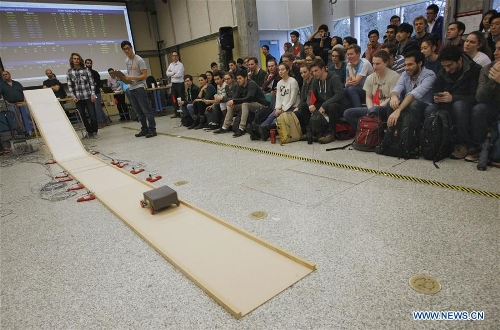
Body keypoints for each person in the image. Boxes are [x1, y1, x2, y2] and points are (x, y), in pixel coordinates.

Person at [425, 46, 482, 160]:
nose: (447, 69)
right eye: (444, 66)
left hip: (467, 104)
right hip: (446, 103)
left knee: (459, 106)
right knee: (430, 109)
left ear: (460, 60)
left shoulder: (474, 70)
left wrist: (453, 98)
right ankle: (432, 141)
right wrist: (437, 97)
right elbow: (435, 91)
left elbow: (476, 97)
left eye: (449, 65)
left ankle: (463, 144)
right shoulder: (443, 72)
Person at [344, 50, 400, 131]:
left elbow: (392, 97)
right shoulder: (370, 77)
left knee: (375, 109)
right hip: (372, 107)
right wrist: (371, 110)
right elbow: (368, 97)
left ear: (386, 63)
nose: (374, 66)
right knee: (348, 113)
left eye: (378, 64)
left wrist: (374, 109)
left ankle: (372, 132)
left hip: (385, 108)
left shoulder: (394, 76)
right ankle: (365, 132)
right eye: (373, 63)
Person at [387, 50, 436, 128]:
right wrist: (393, 97)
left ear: (419, 63)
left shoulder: (430, 75)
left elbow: (413, 94)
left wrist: (398, 110)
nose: (406, 68)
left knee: (414, 104)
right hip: (408, 104)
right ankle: (392, 135)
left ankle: (414, 134)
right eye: (405, 65)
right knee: (391, 103)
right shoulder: (405, 74)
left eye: (410, 65)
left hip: (424, 105)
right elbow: (397, 88)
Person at [469, 39, 500, 161]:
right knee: (479, 108)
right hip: (493, 106)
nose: (496, 53)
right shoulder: (487, 69)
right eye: (496, 48)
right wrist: (493, 81)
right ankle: (479, 146)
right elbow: (480, 97)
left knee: (496, 156)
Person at [213, 70, 266, 137]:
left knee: (244, 104)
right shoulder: (239, 85)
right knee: (231, 104)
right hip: (249, 104)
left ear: (246, 78)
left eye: (240, 78)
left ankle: (241, 128)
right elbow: (235, 97)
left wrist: (234, 101)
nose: (238, 80)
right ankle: (225, 127)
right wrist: (232, 102)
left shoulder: (251, 84)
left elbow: (249, 98)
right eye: (237, 78)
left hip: (260, 104)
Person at [120, 40, 156, 138]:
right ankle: (144, 129)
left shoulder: (139, 60)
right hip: (131, 88)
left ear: (131, 48)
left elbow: (144, 75)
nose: (127, 51)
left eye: (128, 48)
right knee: (138, 111)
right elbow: (130, 74)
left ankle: (152, 129)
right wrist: (125, 78)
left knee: (146, 110)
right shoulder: (127, 61)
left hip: (140, 87)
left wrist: (132, 78)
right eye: (125, 49)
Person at [257, 63, 300, 140]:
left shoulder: (293, 81)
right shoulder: (279, 83)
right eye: (279, 70)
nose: (280, 71)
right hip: (281, 107)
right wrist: (277, 108)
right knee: (271, 116)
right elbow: (279, 98)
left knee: (276, 119)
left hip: (291, 107)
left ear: (287, 70)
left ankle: (263, 132)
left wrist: (283, 110)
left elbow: (292, 100)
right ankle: (259, 131)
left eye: (283, 70)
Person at [309, 58, 346, 144]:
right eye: (313, 71)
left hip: (338, 106)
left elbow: (339, 95)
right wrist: (311, 104)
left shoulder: (334, 78)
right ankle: (312, 131)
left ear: (323, 69)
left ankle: (331, 133)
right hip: (324, 104)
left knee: (331, 106)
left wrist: (325, 104)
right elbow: (313, 95)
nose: (314, 73)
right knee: (305, 106)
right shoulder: (315, 80)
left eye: (316, 70)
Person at [66, 53, 98, 139]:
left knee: (93, 116)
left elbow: (92, 83)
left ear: (80, 60)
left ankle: (94, 131)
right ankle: (89, 132)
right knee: (82, 117)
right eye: (74, 58)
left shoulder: (86, 70)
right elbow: (70, 86)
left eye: (77, 58)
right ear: (72, 60)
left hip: (88, 96)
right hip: (78, 98)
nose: (76, 60)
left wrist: (93, 95)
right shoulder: (69, 72)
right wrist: (73, 96)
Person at [85, 58, 109, 128]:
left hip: (96, 92)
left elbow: (98, 82)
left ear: (92, 64)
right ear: (85, 64)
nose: (89, 64)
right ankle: (106, 120)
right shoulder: (84, 73)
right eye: (87, 63)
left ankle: (100, 122)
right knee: (96, 108)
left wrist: (92, 84)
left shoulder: (95, 73)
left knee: (97, 107)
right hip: (88, 93)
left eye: (90, 63)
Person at [166, 51, 185, 118]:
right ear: (172, 57)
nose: (175, 57)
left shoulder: (180, 65)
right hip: (173, 84)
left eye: (176, 55)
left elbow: (179, 75)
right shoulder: (171, 65)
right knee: (174, 98)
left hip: (180, 84)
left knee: (181, 98)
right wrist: (174, 73)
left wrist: (172, 74)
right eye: (173, 56)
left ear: (178, 56)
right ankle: (176, 113)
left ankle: (183, 112)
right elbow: (167, 73)